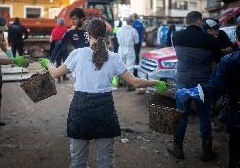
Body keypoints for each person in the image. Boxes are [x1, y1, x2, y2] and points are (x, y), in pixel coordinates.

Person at [39, 18, 167, 168]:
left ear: (87, 35)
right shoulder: (114, 57)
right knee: (106, 163)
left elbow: (54, 74)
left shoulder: (78, 53)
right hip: (104, 111)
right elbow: (135, 82)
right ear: (104, 35)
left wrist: (46, 63)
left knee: (78, 162)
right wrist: (156, 83)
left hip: (80, 110)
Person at [168, 11, 221, 161]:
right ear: (199, 21)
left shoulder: (176, 36)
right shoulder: (209, 39)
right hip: (202, 83)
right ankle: (207, 151)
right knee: (204, 116)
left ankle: (178, 149)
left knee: (182, 115)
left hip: (183, 81)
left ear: (187, 21)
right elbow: (216, 59)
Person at [116, 17, 139, 91]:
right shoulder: (133, 30)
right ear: (132, 23)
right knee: (130, 67)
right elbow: (137, 42)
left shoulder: (119, 30)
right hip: (129, 49)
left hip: (121, 49)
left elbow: (117, 39)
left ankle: (119, 83)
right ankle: (129, 85)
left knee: (120, 66)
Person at [50, 18, 68, 83]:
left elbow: (51, 40)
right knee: (65, 63)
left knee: (58, 63)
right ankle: (64, 77)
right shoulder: (66, 30)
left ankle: (59, 79)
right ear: (63, 23)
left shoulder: (54, 30)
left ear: (57, 23)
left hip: (57, 49)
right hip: (65, 49)